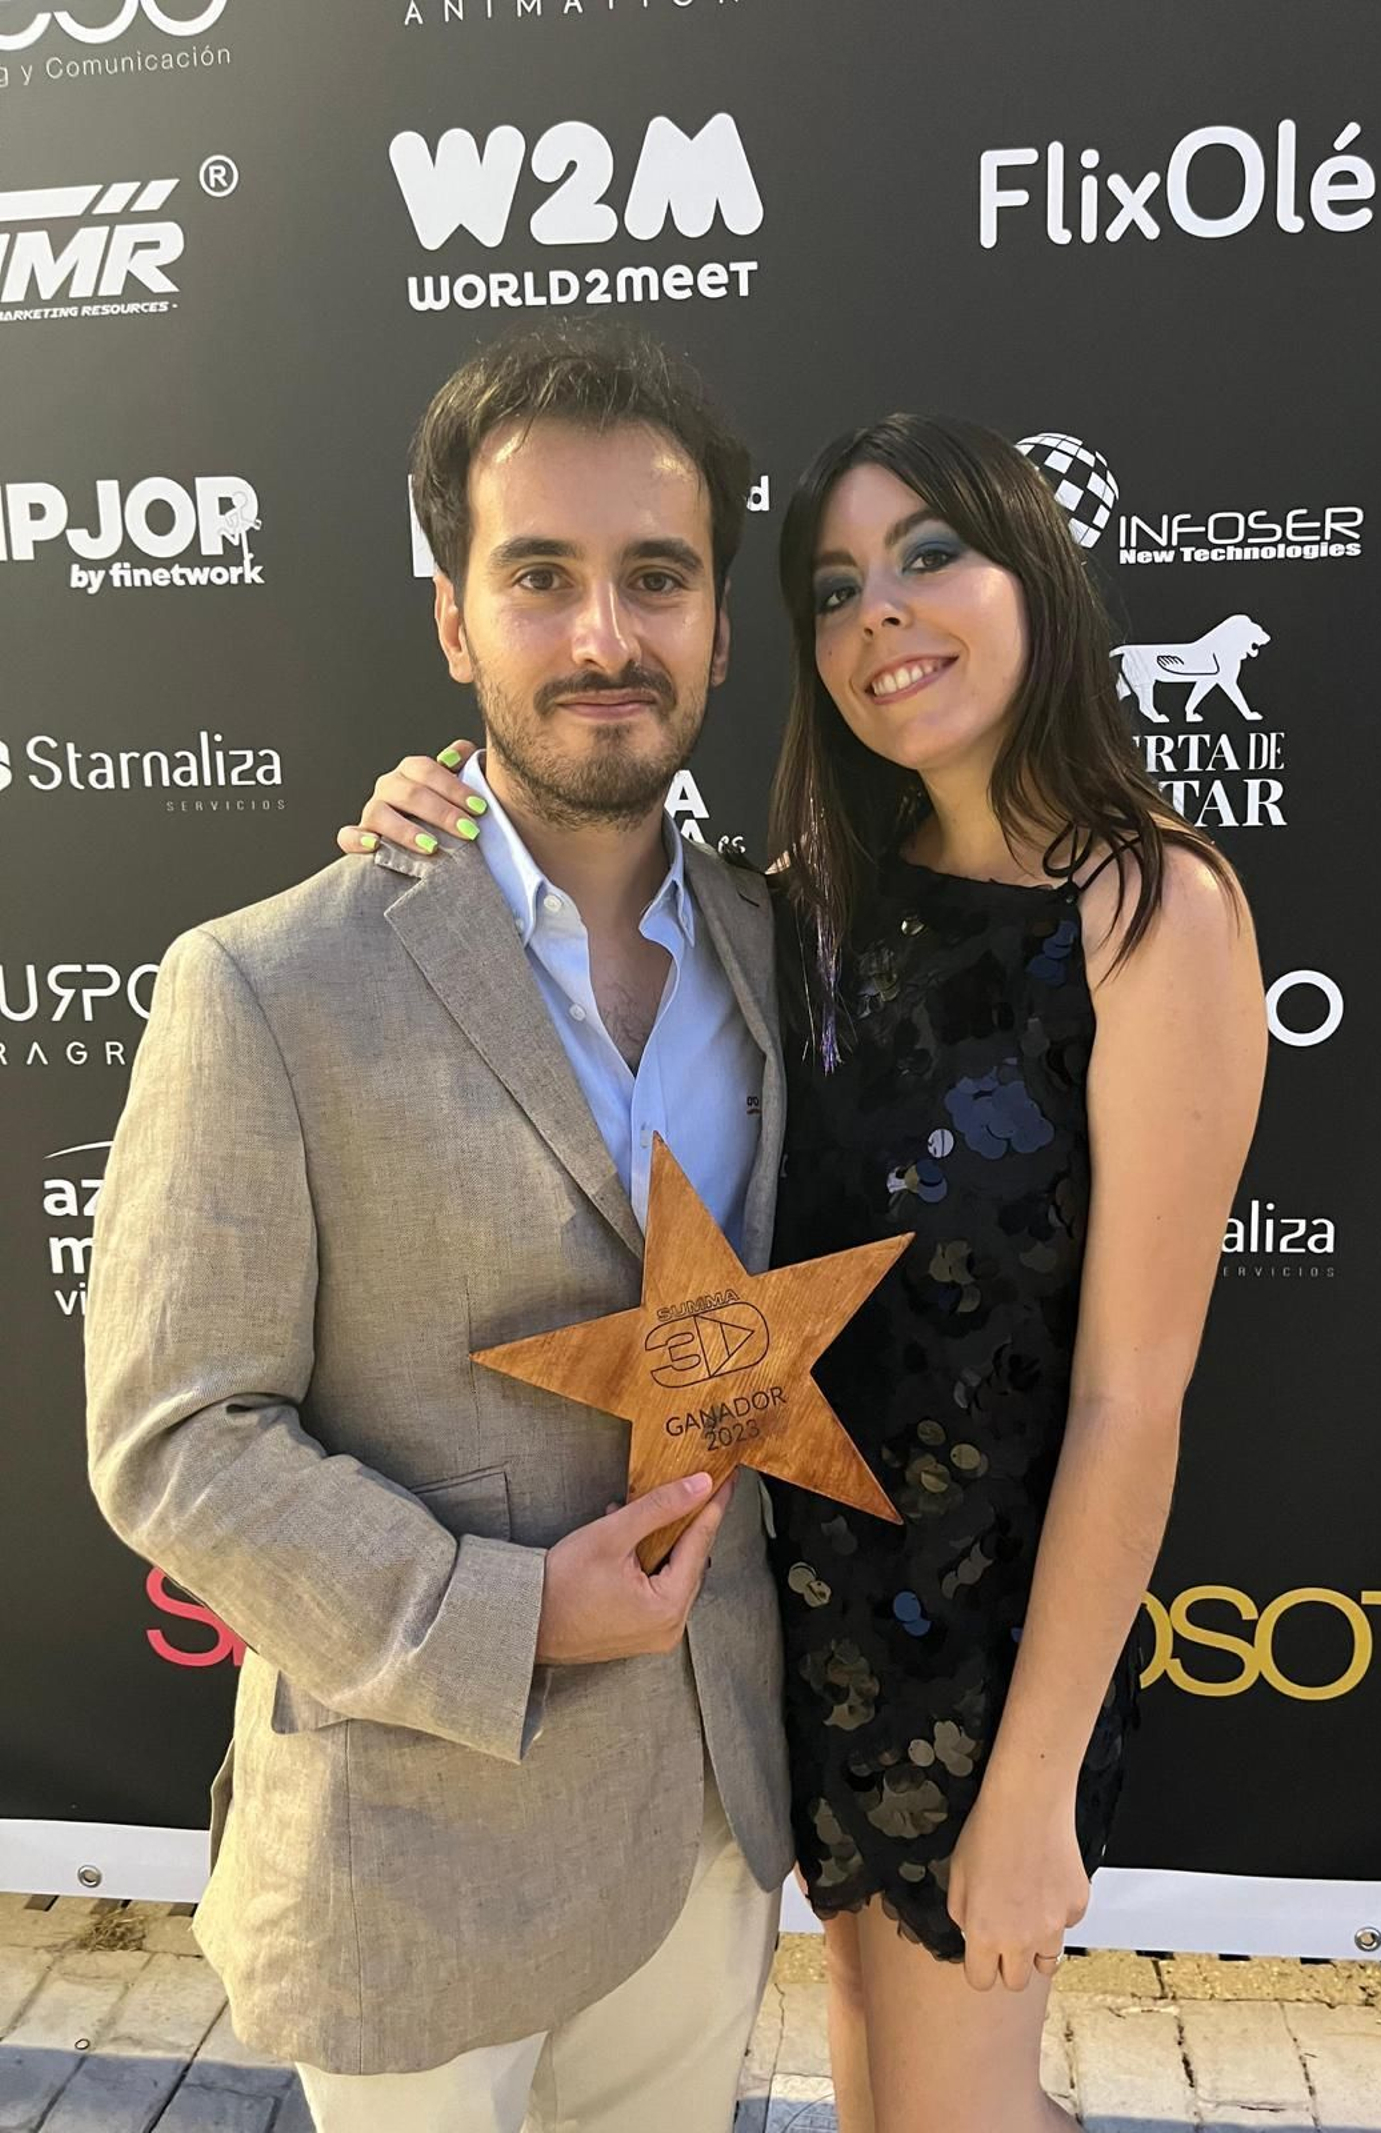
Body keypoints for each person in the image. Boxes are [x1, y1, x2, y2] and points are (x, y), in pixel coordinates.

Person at [338, 400, 1267, 2131]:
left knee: (947, 2114)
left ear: (1035, 573)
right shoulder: (813, 904)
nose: (882, 615)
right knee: (880, 2097)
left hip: (991, 1665)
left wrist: (1037, 1781)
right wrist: (432, 810)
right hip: (800, 1623)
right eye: (835, 586)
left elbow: (1137, 1396)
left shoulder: (1153, 914)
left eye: (930, 555)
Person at [84, 326, 794, 2133]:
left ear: (719, 619)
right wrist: (507, 1612)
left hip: (714, 1828)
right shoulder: (268, 982)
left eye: (659, 578)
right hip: (415, 1859)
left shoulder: (789, 951)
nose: (606, 638)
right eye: (538, 578)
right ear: (455, 623)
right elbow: (178, 1436)